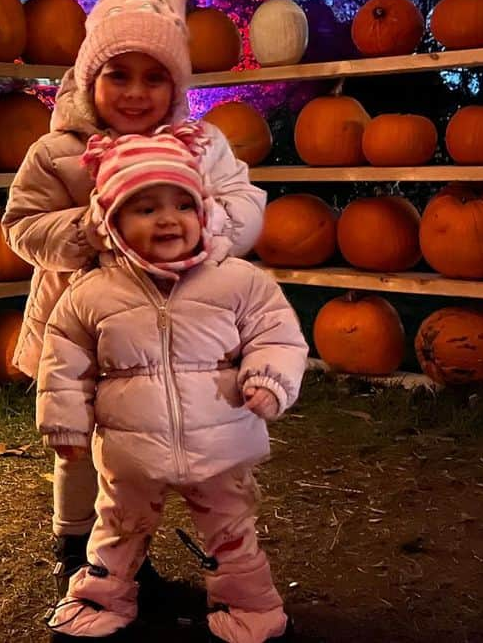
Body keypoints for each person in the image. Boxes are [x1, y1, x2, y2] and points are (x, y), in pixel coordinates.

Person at [1, 0, 267, 600]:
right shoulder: (57, 152)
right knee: (82, 442)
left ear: (175, 87)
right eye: (118, 74)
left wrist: (211, 230)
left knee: (162, 439)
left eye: (155, 78)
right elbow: (21, 227)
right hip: (81, 325)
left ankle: (147, 555)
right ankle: (76, 551)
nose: (135, 92)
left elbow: (244, 203)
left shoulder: (200, 147)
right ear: (88, 77)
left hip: (175, 328)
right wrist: (90, 231)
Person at [37, 127, 307, 643]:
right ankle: (99, 606)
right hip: (129, 448)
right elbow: (65, 361)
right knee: (115, 530)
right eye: (145, 208)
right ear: (112, 221)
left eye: (183, 204)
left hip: (222, 441)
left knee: (232, 534)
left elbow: (278, 333)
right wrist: (65, 421)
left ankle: (253, 614)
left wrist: (269, 378)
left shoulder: (237, 281)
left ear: (203, 210)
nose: (168, 218)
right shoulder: (91, 293)